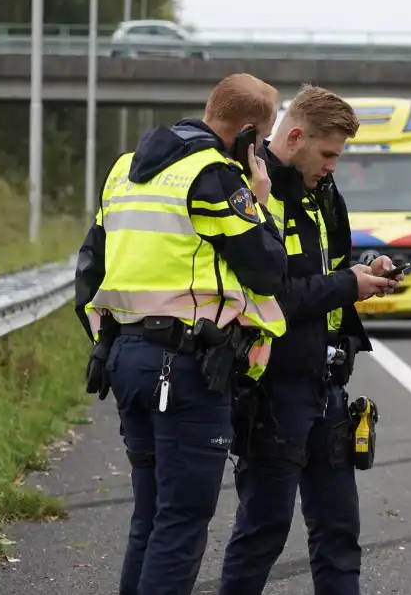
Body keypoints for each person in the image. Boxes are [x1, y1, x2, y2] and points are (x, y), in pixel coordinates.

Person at [73, 73, 289, 595]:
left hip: (125, 357)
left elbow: (88, 271)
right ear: (246, 135)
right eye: (259, 144)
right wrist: (259, 200)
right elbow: (267, 269)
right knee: (182, 522)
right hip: (186, 369)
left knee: (150, 518)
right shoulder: (214, 176)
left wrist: (113, 340)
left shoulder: (125, 170)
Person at [218, 85, 400, 595]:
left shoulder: (321, 191)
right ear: (295, 136)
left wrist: (365, 273)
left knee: (340, 534)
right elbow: (268, 297)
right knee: (263, 533)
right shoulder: (250, 192)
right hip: (273, 391)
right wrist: (348, 285)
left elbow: (330, 269)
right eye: (328, 154)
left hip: (327, 384)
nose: (333, 166)